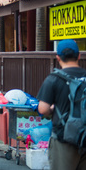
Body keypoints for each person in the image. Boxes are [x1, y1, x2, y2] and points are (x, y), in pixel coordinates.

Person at [37, 39, 86, 170]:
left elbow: (42, 109)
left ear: (58, 58)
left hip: (64, 138)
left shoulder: (53, 79)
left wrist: (52, 109)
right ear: (79, 56)